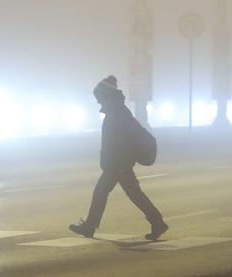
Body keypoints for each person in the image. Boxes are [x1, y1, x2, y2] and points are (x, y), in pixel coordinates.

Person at [69, 75, 168, 241]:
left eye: (99, 97)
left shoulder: (117, 113)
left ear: (105, 96)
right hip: (117, 164)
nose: (98, 101)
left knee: (105, 192)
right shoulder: (117, 110)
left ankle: (90, 226)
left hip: (118, 164)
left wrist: (117, 164)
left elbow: (119, 142)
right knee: (129, 194)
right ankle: (157, 222)